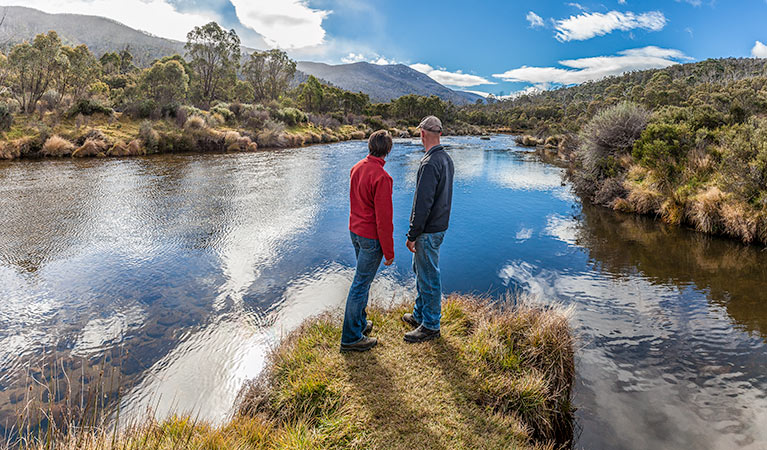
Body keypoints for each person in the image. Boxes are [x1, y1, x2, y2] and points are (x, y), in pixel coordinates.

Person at [340, 130, 395, 352]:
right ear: (388, 150)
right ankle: (351, 338)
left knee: (362, 282)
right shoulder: (382, 177)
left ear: (369, 145)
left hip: (355, 232)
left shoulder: (356, 167)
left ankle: (360, 324)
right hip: (371, 238)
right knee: (361, 284)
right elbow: (384, 220)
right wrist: (389, 252)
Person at [402, 116, 454, 343]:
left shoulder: (429, 162)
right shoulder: (446, 158)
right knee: (421, 270)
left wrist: (412, 234)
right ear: (439, 133)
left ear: (422, 134)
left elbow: (422, 204)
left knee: (429, 275)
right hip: (439, 227)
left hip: (428, 230)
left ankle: (431, 326)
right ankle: (419, 315)